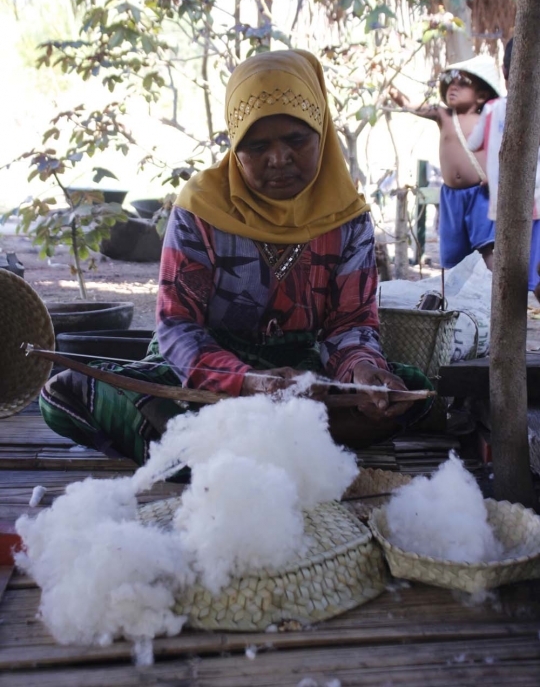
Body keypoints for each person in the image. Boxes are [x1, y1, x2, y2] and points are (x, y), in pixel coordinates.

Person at [40, 49, 433, 466]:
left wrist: (362, 373)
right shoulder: (200, 210)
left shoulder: (346, 217)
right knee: (65, 391)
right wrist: (247, 381)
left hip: (303, 380)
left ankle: (208, 453)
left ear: (321, 128)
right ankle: (289, 450)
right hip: (207, 379)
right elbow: (178, 328)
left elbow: (351, 324)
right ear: (234, 143)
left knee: (409, 390)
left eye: (296, 140)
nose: (278, 158)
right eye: (257, 145)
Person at [390, 55, 501, 271]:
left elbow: (499, 151)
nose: (453, 87)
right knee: (453, 255)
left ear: (481, 96)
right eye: (450, 81)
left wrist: (495, 176)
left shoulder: (488, 118)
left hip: (480, 194)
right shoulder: (443, 115)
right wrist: (393, 91)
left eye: (462, 83)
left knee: (487, 248)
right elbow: (410, 105)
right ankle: (453, 297)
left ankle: (495, 296)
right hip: (451, 196)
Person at [468, 39, 540, 292]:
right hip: (536, 198)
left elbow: (473, 143)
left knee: (510, 258)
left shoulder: (492, 108)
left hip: (504, 197)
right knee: (534, 263)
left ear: (506, 71)